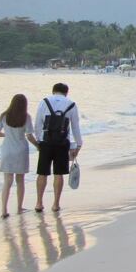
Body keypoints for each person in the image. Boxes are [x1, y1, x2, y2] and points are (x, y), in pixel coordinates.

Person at [34, 83, 82, 213]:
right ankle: (55, 204)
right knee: (58, 174)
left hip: (46, 142)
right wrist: (78, 144)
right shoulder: (71, 104)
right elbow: (75, 126)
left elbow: (38, 123)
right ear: (66, 92)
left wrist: (38, 141)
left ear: (53, 91)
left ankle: (39, 203)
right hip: (62, 143)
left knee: (42, 173)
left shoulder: (44, 102)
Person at [0, 94, 38, 218]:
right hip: (20, 150)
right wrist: (38, 146)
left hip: (7, 150)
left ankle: (4, 210)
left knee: (7, 182)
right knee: (20, 181)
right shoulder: (26, 117)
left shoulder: (4, 116)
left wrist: (7, 135)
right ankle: (19, 208)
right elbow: (29, 135)